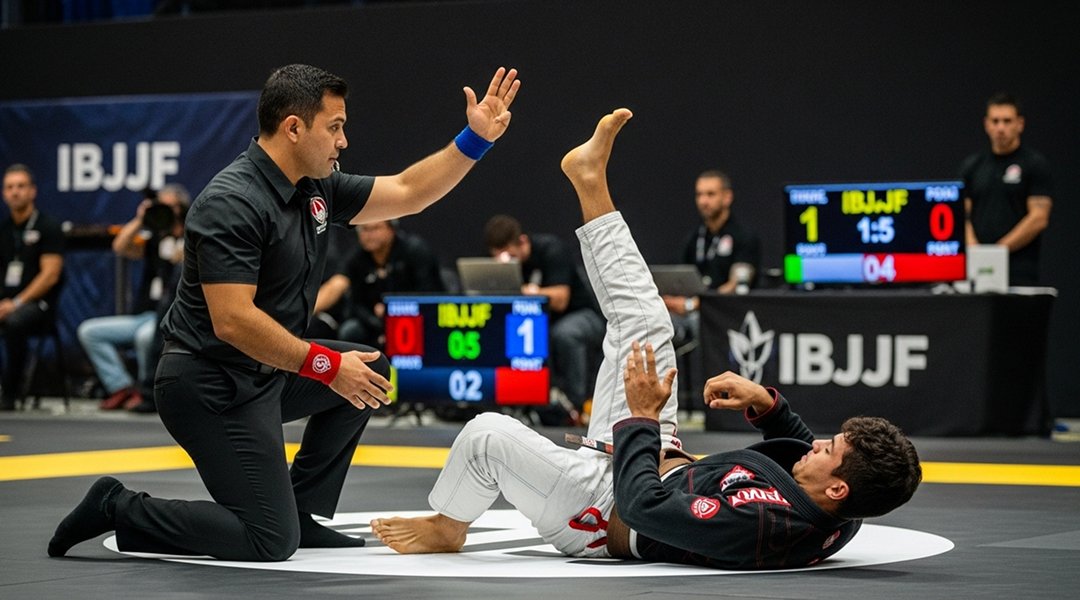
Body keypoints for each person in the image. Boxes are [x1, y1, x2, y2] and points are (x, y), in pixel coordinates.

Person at [371, 109, 922, 569]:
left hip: (599, 513)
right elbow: (797, 447)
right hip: (655, 458)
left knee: (487, 433)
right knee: (648, 323)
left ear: (838, 490)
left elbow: (642, 510)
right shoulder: (840, 507)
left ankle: (449, 525)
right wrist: (769, 405)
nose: (815, 444)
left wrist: (638, 419)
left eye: (829, 451)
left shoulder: (765, 528)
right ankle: (590, 181)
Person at [48, 63, 520, 561]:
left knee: (370, 371)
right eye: (334, 127)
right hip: (208, 386)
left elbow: (407, 192)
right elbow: (233, 321)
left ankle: (299, 509)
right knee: (267, 540)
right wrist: (327, 365)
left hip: (264, 372)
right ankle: (118, 506)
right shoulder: (231, 201)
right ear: (294, 128)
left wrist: (475, 138)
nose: (343, 141)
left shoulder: (315, 187)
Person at [77, 185, 189, 412]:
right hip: (142, 315)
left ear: (182, 208)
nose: (166, 210)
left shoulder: (193, 235)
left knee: (145, 337)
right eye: (162, 206)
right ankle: (121, 387)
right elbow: (120, 246)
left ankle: (149, 392)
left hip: (170, 317)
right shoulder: (154, 237)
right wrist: (141, 218)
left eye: (171, 206)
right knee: (89, 331)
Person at [483, 214, 605, 418]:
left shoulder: (552, 250)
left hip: (583, 315)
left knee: (564, 334)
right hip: (540, 322)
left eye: (510, 256)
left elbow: (561, 300)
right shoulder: (505, 266)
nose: (506, 262)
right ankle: (508, 401)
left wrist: (530, 292)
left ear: (522, 241)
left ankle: (575, 406)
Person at [960, 93, 1053, 286]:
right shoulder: (972, 166)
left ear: (1020, 124)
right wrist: (975, 249)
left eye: (1007, 121)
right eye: (995, 121)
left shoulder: (1034, 165)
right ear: (986, 124)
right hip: (976, 268)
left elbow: (1039, 218)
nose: (1000, 128)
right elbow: (961, 213)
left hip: (1019, 270)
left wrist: (999, 250)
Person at [663, 170, 760, 347]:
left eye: (710, 194)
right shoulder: (694, 239)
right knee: (658, 322)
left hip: (727, 314)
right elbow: (681, 279)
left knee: (700, 323)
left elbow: (737, 285)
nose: (703, 201)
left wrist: (693, 305)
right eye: (699, 195)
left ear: (727, 197)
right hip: (691, 311)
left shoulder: (744, 237)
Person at [312, 219, 444, 347]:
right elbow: (355, 301)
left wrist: (391, 309)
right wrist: (374, 321)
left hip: (412, 317)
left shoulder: (415, 251)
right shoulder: (357, 258)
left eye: (375, 228)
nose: (369, 235)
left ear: (391, 229)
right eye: (364, 229)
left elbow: (429, 294)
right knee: (350, 330)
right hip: (372, 321)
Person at [0, 164, 65, 411]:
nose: (15, 192)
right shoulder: (3, 230)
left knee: (15, 322)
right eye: (9, 187)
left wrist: (15, 303)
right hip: (5, 303)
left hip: (38, 306)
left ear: (32, 191)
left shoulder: (48, 227)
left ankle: (10, 393)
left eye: (20, 186)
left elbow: (50, 275)